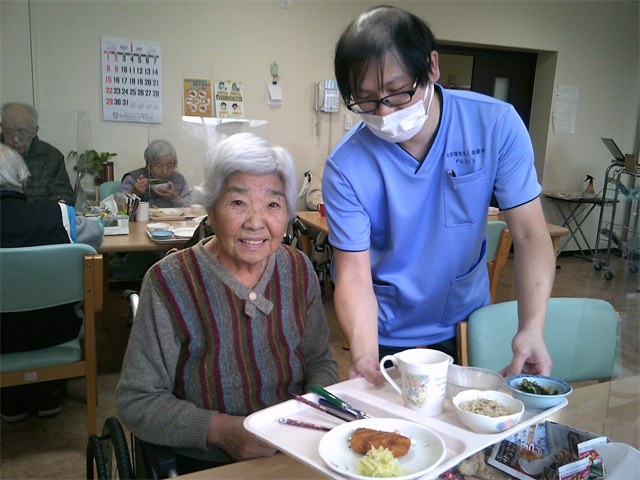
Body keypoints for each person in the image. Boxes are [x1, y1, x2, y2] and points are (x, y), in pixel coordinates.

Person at [322, 6, 555, 385]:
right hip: (386, 334)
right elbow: (353, 276)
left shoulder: (495, 125)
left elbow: (530, 235)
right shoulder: (346, 165)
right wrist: (364, 354)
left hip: (466, 322)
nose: (383, 113)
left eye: (397, 92)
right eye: (364, 100)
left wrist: (532, 327)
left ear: (431, 66)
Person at [116, 133, 338, 474]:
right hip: (206, 461)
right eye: (238, 202)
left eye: (273, 204)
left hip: (296, 448)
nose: (256, 221)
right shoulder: (169, 281)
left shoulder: (297, 268)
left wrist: (311, 409)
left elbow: (320, 359)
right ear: (210, 208)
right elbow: (137, 400)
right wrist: (221, 431)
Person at [0, 144, 103, 422]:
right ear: (23, 180)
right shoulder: (56, 215)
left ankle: (10, 398)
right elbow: (96, 233)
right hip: (55, 333)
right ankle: (50, 391)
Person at [0, 102, 74, 204]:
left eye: (22, 132)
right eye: (8, 132)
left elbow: (64, 195)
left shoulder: (51, 156)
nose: (15, 139)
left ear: (35, 130)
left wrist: (38, 211)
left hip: (37, 216)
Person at [119, 139, 191, 208]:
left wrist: (175, 199)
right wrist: (133, 193)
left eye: (169, 165)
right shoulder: (133, 179)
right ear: (148, 165)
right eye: (159, 166)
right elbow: (116, 208)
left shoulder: (180, 180)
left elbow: (188, 210)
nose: (164, 171)